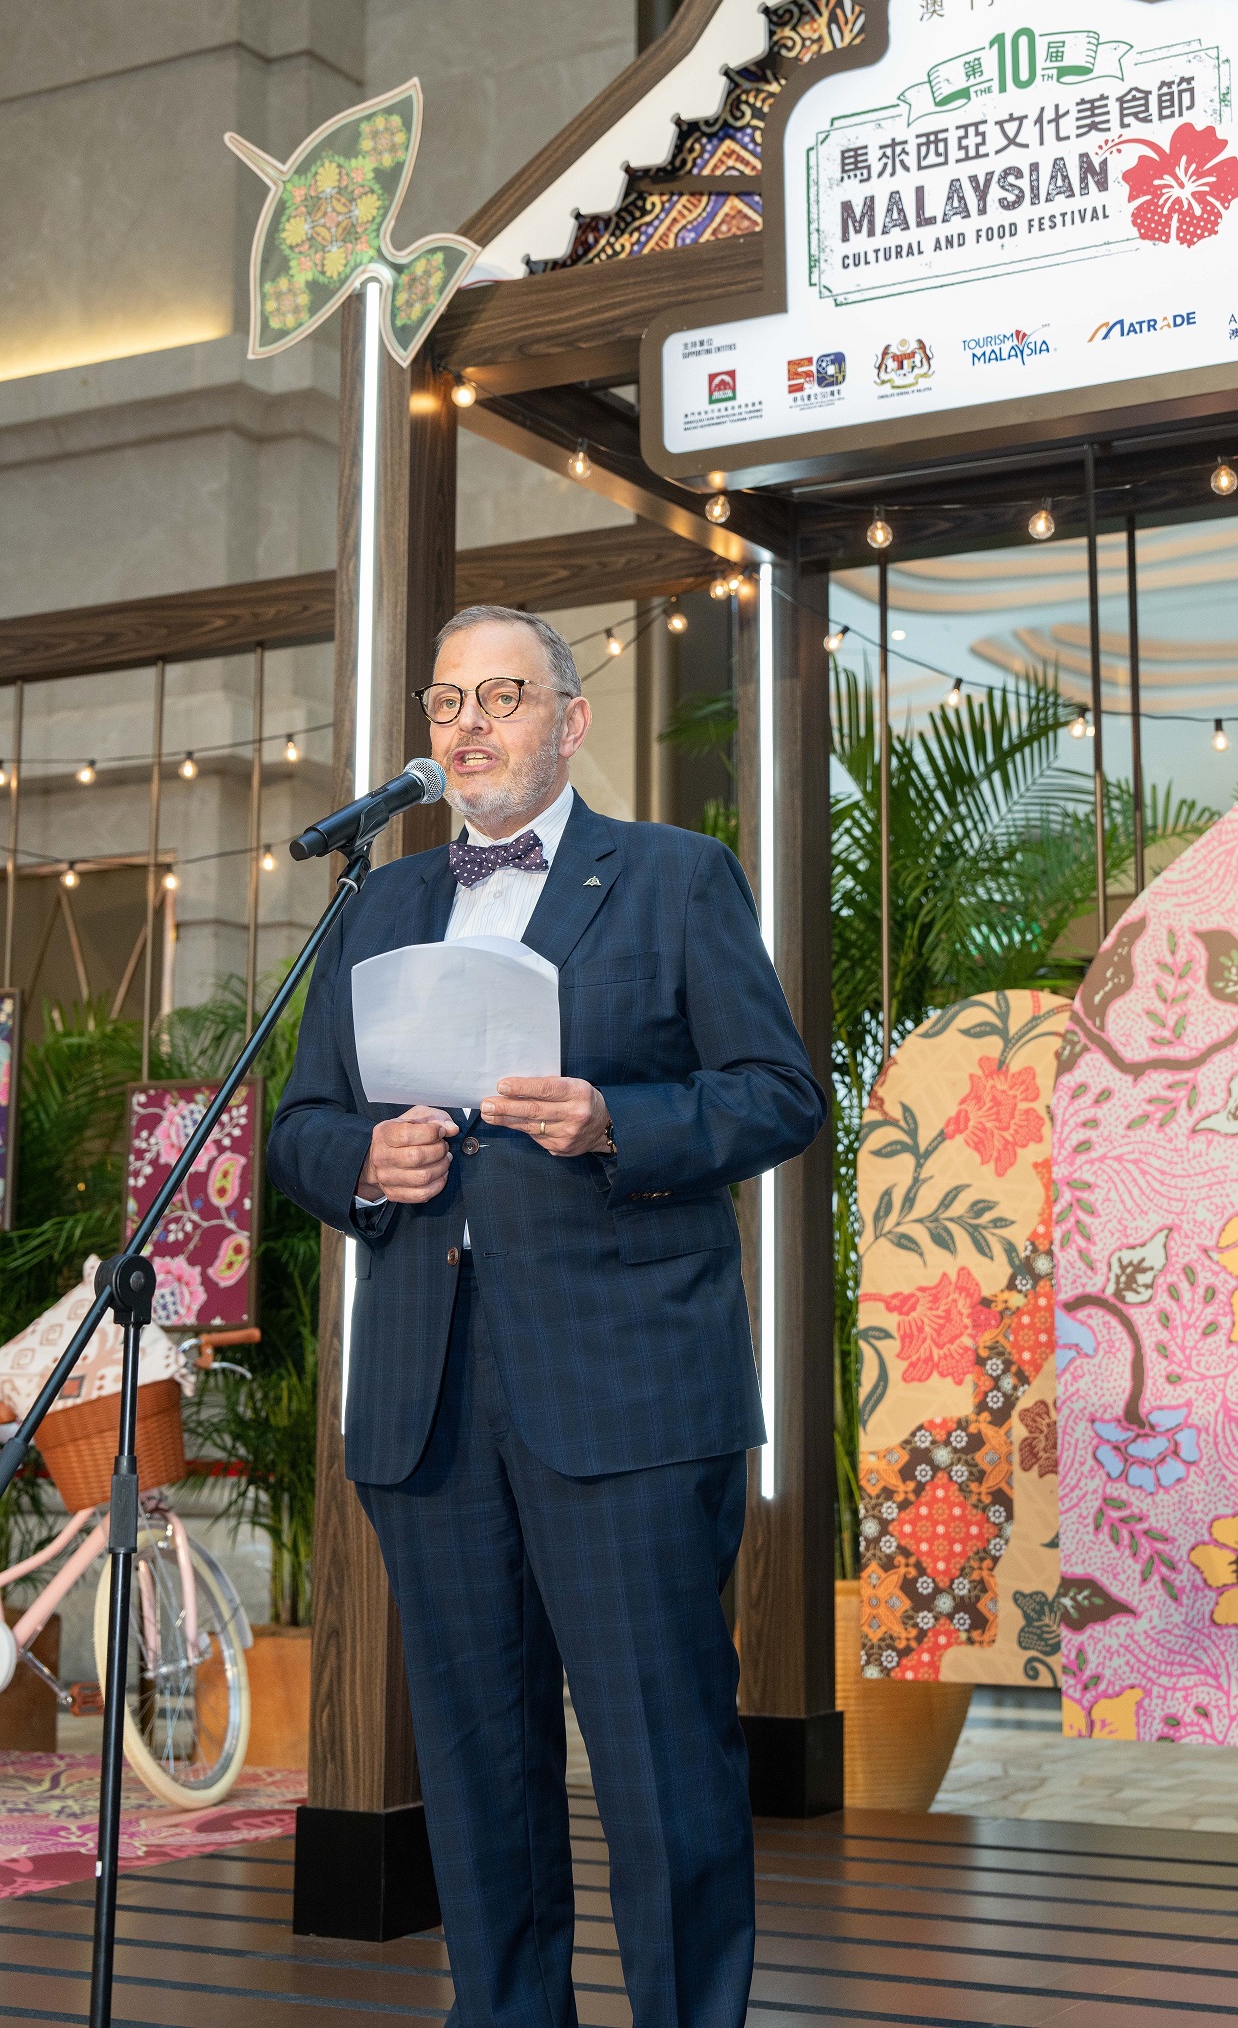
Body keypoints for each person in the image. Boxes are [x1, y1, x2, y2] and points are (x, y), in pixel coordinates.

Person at [268, 604, 826, 2028]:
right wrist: (362, 1166)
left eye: (501, 695)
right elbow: (307, 1124)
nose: (468, 725)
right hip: (432, 1400)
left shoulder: (674, 878)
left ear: (569, 722)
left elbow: (778, 1095)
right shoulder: (377, 904)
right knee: (479, 1771)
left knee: (662, 1766)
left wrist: (608, 1122)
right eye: (447, 700)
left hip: (629, 1400)